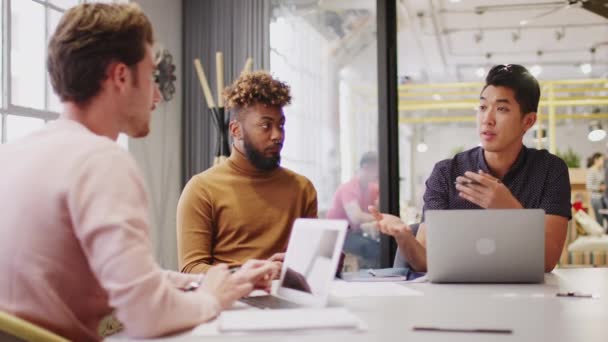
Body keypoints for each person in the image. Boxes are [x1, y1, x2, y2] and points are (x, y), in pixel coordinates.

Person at [0, 4, 274, 341]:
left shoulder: (12, 154)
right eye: (150, 77)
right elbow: (148, 317)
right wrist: (210, 299)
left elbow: (124, 279)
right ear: (120, 76)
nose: (156, 95)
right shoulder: (100, 161)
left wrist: (208, 281)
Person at [371, 64, 571, 273]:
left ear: (528, 121)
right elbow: (426, 261)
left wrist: (509, 210)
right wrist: (403, 235)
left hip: (524, 297)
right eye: (483, 107)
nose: (487, 119)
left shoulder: (550, 170)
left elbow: (548, 261)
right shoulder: (447, 173)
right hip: (457, 298)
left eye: (502, 109)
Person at [177, 71, 318, 274]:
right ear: (236, 130)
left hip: (291, 300)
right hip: (231, 301)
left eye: (281, 125)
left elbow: (307, 265)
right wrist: (254, 273)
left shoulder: (302, 188)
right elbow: (191, 269)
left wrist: (324, 262)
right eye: (265, 126)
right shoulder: (202, 189)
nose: (277, 136)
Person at [327, 152, 379, 268]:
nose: (378, 173)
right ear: (366, 168)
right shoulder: (349, 187)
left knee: (384, 245)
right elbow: (356, 217)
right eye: (376, 169)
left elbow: (380, 207)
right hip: (339, 236)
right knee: (377, 249)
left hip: (354, 233)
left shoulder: (371, 187)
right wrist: (380, 217)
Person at [586, 152, 605, 225]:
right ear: (596, 160)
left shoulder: (600, 170)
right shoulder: (591, 171)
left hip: (601, 198)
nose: (603, 161)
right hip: (595, 198)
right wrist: (599, 188)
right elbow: (589, 186)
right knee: (599, 220)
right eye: (602, 159)